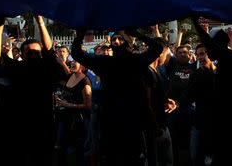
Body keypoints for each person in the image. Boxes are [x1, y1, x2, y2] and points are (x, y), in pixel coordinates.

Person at [71, 28, 163, 166]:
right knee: (112, 155)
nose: (117, 41)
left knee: (131, 156)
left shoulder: (137, 60)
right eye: (114, 39)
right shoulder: (105, 61)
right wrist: (80, 35)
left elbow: (158, 47)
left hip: (131, 118)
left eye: (120, 39)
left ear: (127, 42)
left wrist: (137, 34)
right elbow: (77, 54)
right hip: (112, 118)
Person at [0, 13, 61, 166]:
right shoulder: (16, 67)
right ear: (22, 54)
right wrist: (0, 27)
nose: (33, 54)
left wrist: (40, 20)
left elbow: (49, 49)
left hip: (44, 124)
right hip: (19, 125)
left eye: (36, 52)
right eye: (29, 52)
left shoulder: (46, 67)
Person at [190, 16, 232, 166]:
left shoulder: (230, 58)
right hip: (224, 118)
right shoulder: (227, 60)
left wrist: (194, 21)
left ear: (217, 44)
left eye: (208, 48)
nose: (207, 51)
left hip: (228, 120)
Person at [167, 43, 217, 166]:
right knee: (194, 155)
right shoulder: (196, 74)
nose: (199, 57)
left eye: (202, 54)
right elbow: (188, 94)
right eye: (197, 54)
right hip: (198, 120)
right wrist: (177, 104)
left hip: (215, 122)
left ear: (210, 54)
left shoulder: (220, 74)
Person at [54, 60, 92, 166]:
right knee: (61, 148)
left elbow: (87, 105)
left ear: (83, 66)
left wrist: (67, 105)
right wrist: (59, 98)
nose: (73, 63)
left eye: (77, 61)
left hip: (78, 122)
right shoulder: (70, 76)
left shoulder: (85, 82)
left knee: (76, 151)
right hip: (64, 118)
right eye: (73, 61)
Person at [143, 37, 173, 166]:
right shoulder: (146, 72)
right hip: (153, 128)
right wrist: (156, 126)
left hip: (162, 122)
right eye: (166, 55)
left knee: (167, 159)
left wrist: (167, 102)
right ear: (160, 53)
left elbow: (156, 97)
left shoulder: (157, 71)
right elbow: (147, 103)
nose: (166, 58)